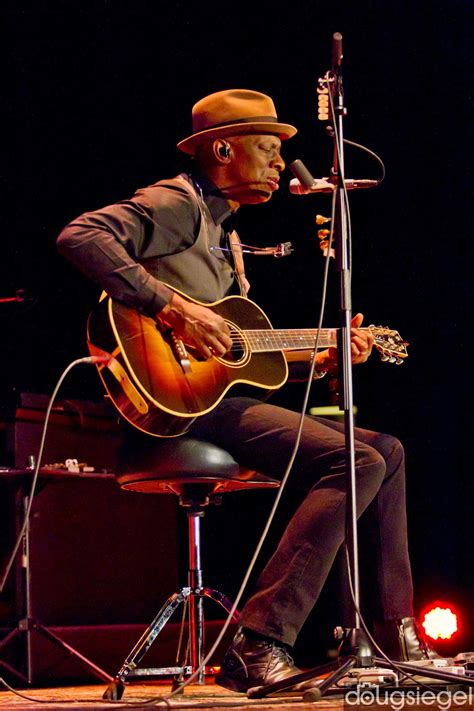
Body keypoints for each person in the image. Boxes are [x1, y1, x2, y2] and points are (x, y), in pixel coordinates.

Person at [57, 89, 436, 693]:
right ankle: (259, 640)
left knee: (385, 449)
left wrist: (322, 358)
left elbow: (243, 360)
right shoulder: (174, 202)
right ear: (224, 148)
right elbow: (80, 236)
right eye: (268, 149)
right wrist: (175, 310)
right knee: (354, 457)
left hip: (216, 398)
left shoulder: (224, 235)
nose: (281, 163)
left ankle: (394, 633)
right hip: (174, 404)